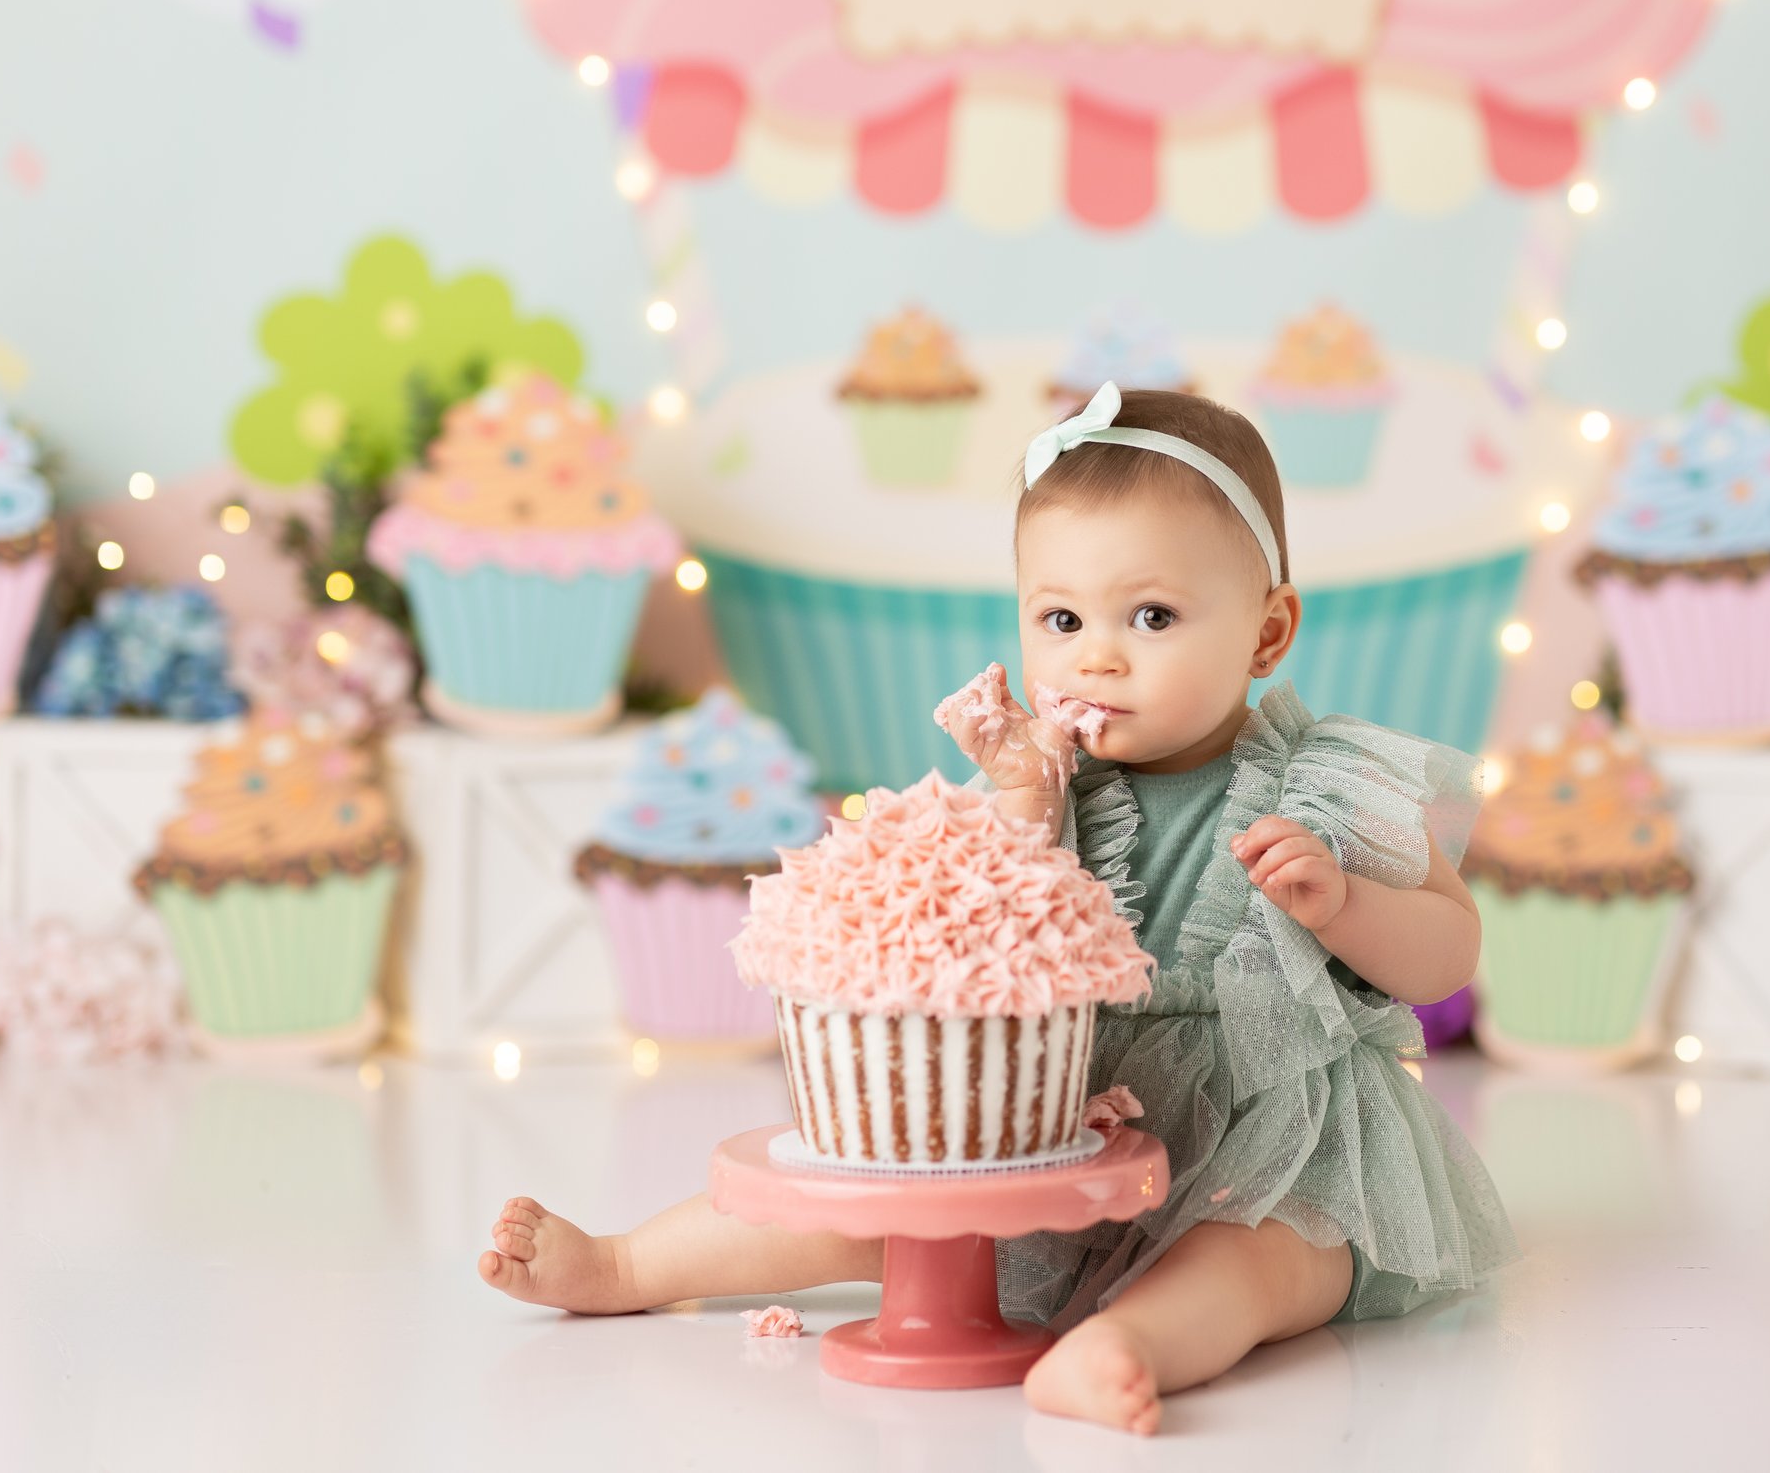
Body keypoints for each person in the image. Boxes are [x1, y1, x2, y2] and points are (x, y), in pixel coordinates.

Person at [479, 383, 1518, 1435]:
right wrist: (1023, 805)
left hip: (1272, 1142)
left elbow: (1448, 952)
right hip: (1058, 1126)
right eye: (1060, 618)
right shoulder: (1040, 782)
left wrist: (1341, 905)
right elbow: (970, 944)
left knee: (1258, 1259)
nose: (1096, 655)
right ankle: (624, 1262)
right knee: (873, 1220)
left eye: (1150, 615)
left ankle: (1130, 1345)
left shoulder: (1324, 786)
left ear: (1267, 630)